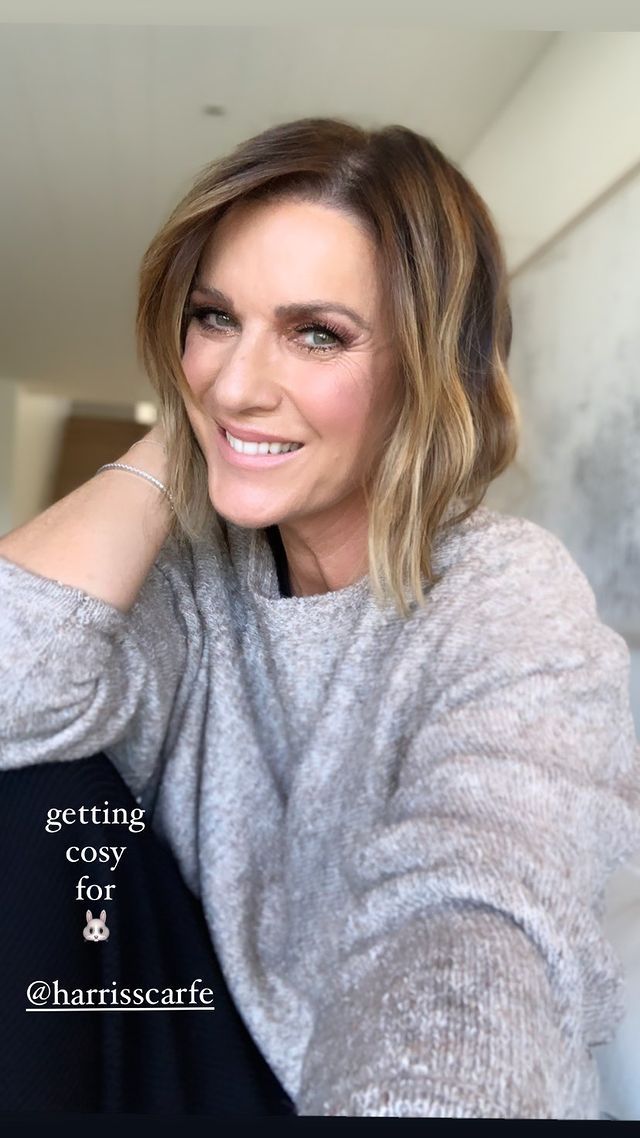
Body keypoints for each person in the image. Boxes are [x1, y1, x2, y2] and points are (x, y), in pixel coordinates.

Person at [1, 115, 639, 1119]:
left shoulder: (506, 594)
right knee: (33, 791)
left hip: (360, 1082)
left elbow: (475, 915)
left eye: (316, 334)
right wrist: (189, 427)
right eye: (215, 318)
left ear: (428, 372)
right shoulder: (194, 577)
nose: (240, 380)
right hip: (200, 1042)